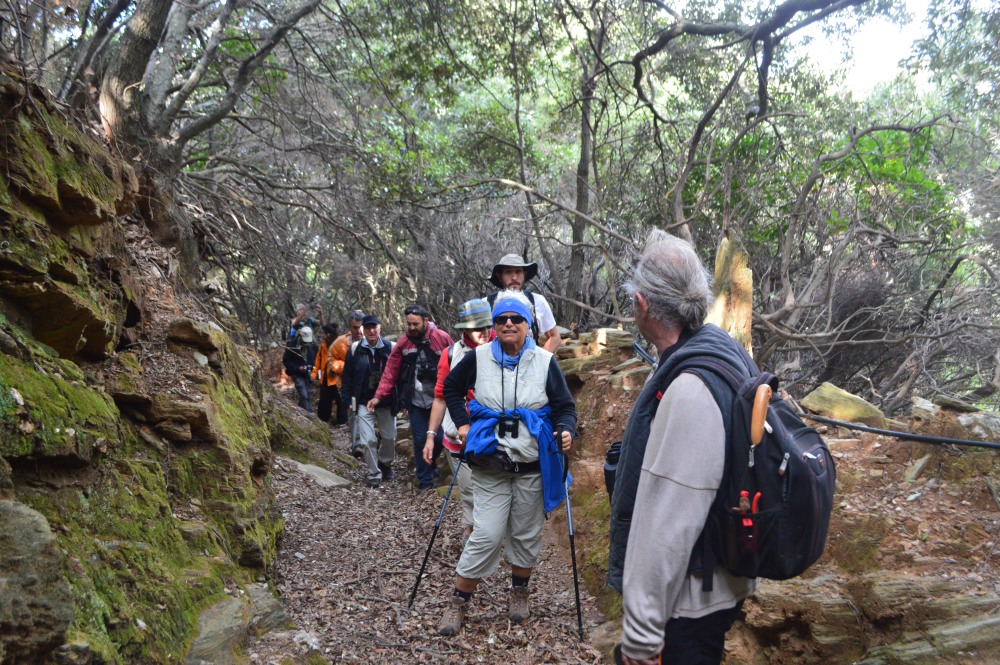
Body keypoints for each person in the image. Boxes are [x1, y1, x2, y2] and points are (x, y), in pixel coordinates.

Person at [607, 230, 756, 665]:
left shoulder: (690, 387)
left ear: (642, 304)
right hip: (719, 577)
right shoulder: (724, 351)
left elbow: (666, 525)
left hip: (687, 601)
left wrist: (640, 638)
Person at [437, 290, 577, 636]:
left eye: (516, 319)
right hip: (490, 463)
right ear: (494, 325)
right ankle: (458, 602)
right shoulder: (479, 357)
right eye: (502, 319)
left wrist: (565, 431)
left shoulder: (545, 362)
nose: (509, 324)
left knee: (527, 534)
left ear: (529, 325)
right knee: (485, 533)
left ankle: (519, 592)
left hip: (531, 465)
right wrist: (464, 425)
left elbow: (564, 407)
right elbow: (452, 388)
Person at [422, 298, 495, 546]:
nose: (484, 333)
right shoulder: (451, 355)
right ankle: (471, 534)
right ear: (464, 329)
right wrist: (431, 436)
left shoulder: (502, 347)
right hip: (458, 436)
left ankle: (490, 534)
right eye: (478, 328)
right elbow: (441, 397)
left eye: (487, 327)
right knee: (469, 490)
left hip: (493, 434)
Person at [368, 304, 453, 491]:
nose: (412, 328)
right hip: (415, 401)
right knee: (421, 440)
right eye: (409, 324)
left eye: (415, 324)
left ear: (426, 321)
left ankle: (430, 464)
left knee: (438, 439)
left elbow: (456, 364)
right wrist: (378, 396)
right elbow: (390, 371)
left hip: (440, 400)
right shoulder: (403, 343)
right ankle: (425, 481)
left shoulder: (442, 338)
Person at [341, 315, 396, 488]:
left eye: (375, 327)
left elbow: (399, 376)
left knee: (389, 438)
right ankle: (374, 473)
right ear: (363, 330)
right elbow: (348, 376)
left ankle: (384, 463)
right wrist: (348, 399)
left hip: (386, 402)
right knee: (367, 440)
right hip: (364, 402)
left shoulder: (391, 348)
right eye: (368, 328)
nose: (371, 331)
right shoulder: (355, 349)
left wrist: (402, 401)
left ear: (380, 328)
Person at [487, 253, 562, 353]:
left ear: (524, 274)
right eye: (508, 272)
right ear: (500, 276)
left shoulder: (537, 301)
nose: (514, 277)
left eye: (518, 272)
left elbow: (555, 337)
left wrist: (540, 362)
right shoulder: (487, 304)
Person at [333, 311, 366, 427]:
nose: (359, 331)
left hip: (369, 388)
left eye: (361, 327)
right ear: (350, 328)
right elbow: (330, 360)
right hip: (348, 385)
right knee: (354, 418)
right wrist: (346, 367)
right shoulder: (340, 342)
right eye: (355, 328)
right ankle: (357, 444)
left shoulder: (374, 340)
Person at [312, 323, 344, 424]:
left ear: (329, 334)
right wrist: (313, 375)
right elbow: (318, 362)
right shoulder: (323, 346)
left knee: (341, 401)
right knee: (324, 402)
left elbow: (346, 361)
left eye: (324, 333)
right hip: (325, 379)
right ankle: (322, 421)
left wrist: (337, 368)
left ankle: (341, 422)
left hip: (338, 379)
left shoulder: (340, 344)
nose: (322, 336)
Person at [282, 325, 315, 413]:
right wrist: (297, 368)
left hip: (308, 373)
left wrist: (312, 368)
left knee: (308, 393)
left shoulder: (313, 345)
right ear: (300, 337)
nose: (306, 343)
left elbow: (316, 358)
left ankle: (300, 411)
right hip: (296, 373)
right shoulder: (291, 345)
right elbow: (286, 360)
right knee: (303, 394)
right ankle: (309, 414)